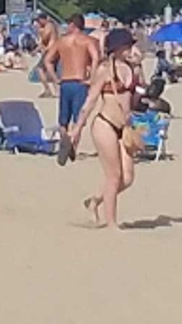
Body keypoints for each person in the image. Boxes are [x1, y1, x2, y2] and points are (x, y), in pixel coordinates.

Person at [69, 28, 143, 229]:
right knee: (114, 176)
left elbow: (136, 98)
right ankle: (111, 222)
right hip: (105, 124)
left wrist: (140, 71)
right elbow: (90, 101)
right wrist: (77, 129)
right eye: (127, 46)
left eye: (131, 46)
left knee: (127, 178)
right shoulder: (104, 70)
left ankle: (94, 202)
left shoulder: (133, 69)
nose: (130, 50)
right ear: (117, 48)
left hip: (125, 127)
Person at [43, 14, 101, 165]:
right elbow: (96, 58)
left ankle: (65, 139)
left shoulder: (62, 41)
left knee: (63, 120)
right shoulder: (88, 41)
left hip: (65, 82)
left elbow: (48, 61)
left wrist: (55, 78)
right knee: (78, 119)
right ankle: (73, 145)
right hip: (80, 82)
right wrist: (92, 77)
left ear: (73, 25)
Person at [34, 12, 60, 98]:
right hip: (51, 50)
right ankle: (54, 90)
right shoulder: (48, 26)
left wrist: (39, 31)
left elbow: (45, 37)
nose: (38, 23)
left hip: (51, 50)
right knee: (51, 70)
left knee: (42, 69)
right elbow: (42, 43)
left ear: (43, 19)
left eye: (39, 21)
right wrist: (35, 50)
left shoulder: (49, 25)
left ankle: (50, 90)